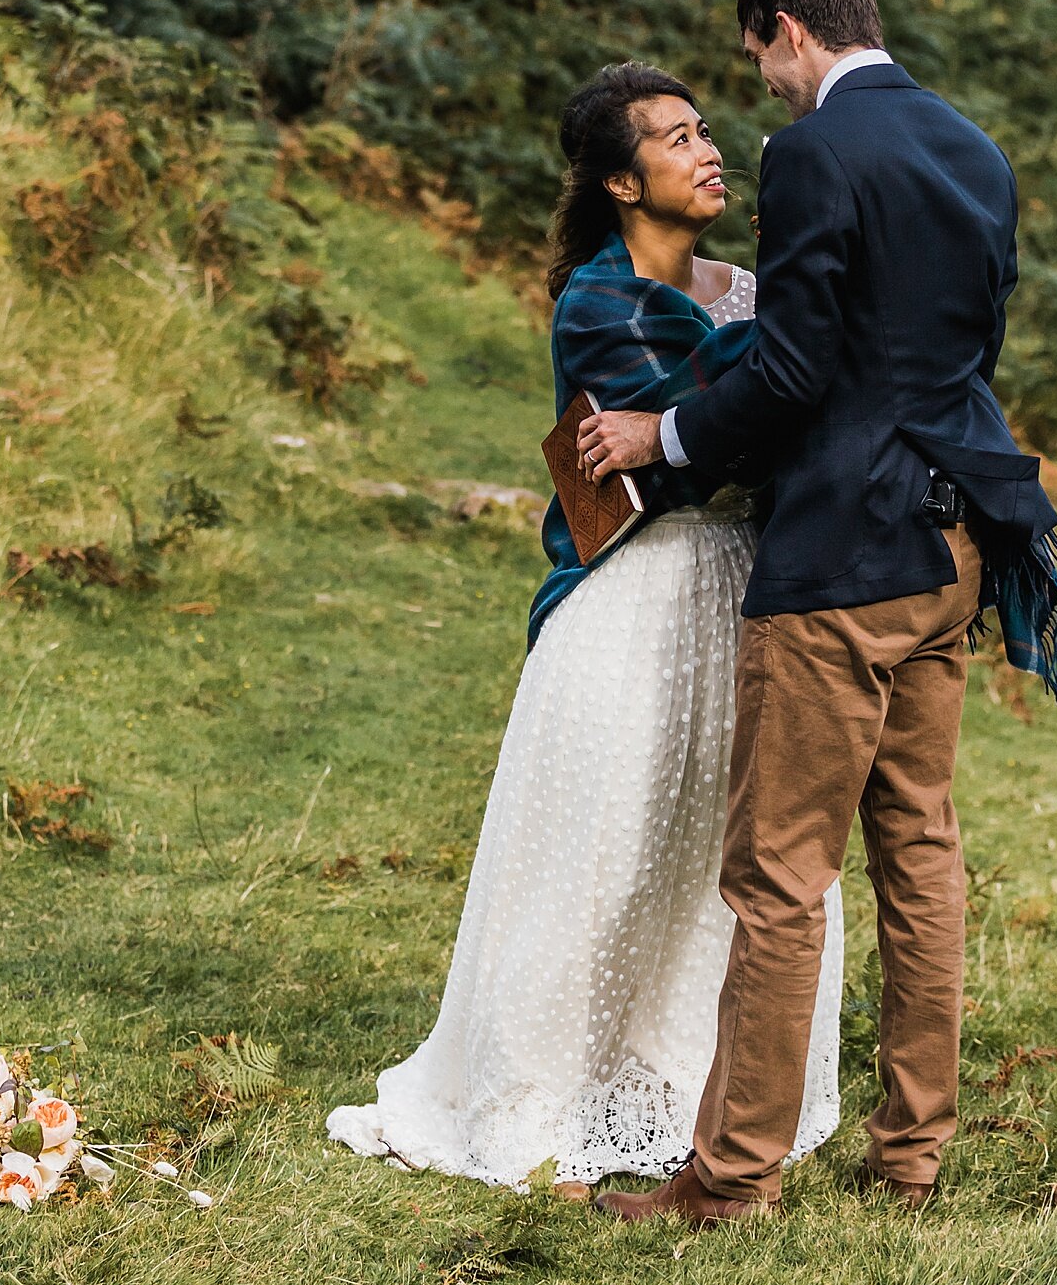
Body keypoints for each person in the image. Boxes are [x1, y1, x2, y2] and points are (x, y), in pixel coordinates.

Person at [579, 0, 1057, 1227]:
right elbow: (947, 345)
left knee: (781, 876)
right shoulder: (976, 148)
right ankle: (913, 1157)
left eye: (762, 64)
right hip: (954, 539)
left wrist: (666, 435)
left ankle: (729, 1180)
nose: (769, 96)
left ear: (789, 28)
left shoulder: (814, 155)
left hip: (845, 555)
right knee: (920, 848)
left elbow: (796, 373)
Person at [326, 61, 843, 1190]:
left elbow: (732, 430)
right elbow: (698, 451)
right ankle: (531, 1107)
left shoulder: (753, 288)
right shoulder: (597, 302)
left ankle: (693, 1087)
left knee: (717, 858)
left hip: (750, 592)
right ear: (620, 178)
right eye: (674, 139)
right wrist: (786, 341)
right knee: (603, 852)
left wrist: (732, 388)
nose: (708, 150)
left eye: (707, 130)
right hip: (638, 598)